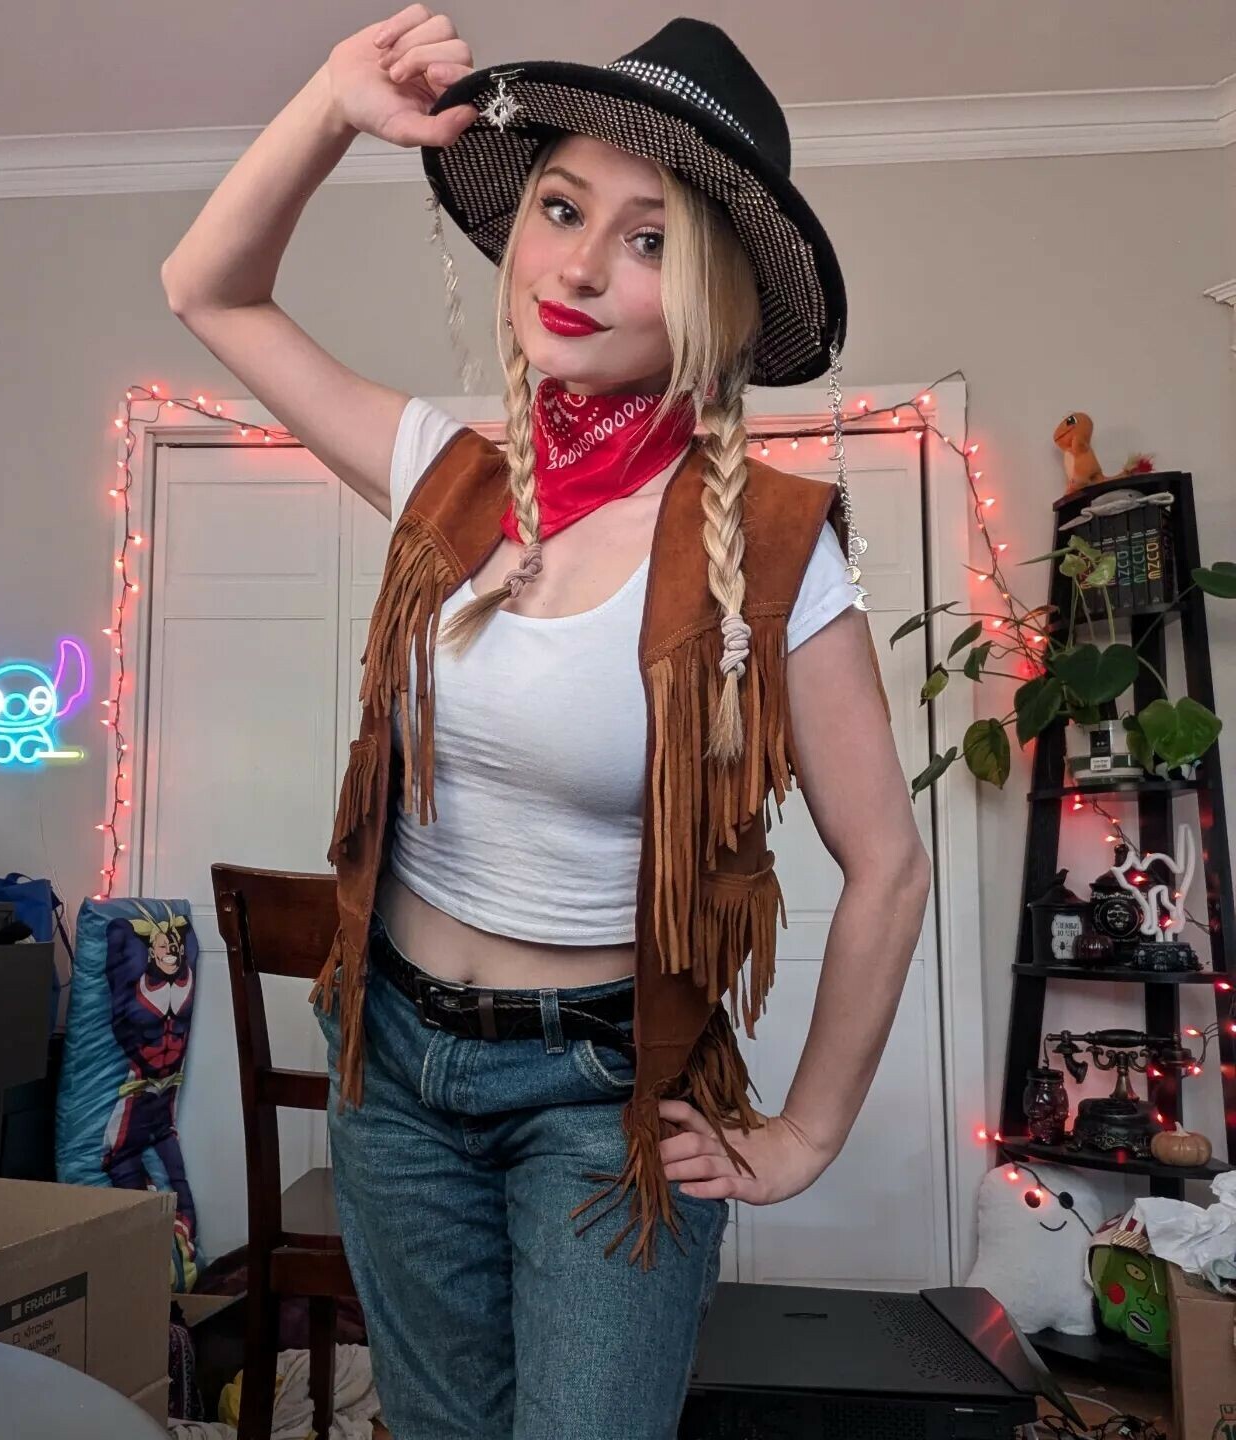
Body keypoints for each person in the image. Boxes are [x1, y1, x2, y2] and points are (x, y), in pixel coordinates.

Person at [162, 9, 929, 1437]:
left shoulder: (773, 549)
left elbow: (887, 862)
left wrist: (805, 1134)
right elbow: (208, 290)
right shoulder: (442, 473)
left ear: (709, 300)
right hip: (392, 1063)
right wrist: (330, 106)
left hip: (605, 1092)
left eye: (648, 241)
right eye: (562, 209)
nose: (577, 266)